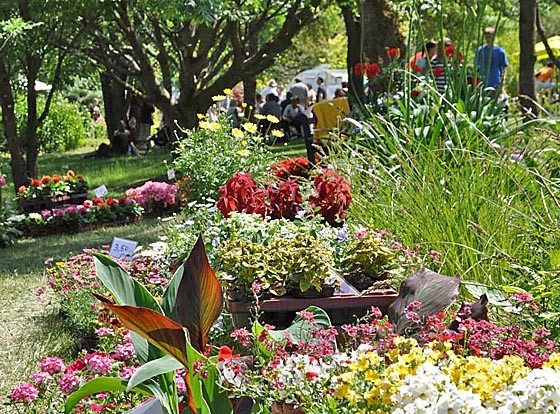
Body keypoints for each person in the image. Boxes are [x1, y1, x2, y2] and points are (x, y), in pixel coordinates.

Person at [475, 26, 508, 94]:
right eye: (486, 36)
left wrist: (502, 84)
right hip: (482, 84)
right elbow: (476, 67)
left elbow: (504, 68)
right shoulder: (480, 51)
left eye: (490, 36)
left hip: (495, 84)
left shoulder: (500, 51)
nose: (488, 39)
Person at [282, 97, 314, 162]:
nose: (294, 103)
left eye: (295, 102)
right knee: (284, 122)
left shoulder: (300, 107)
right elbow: (284, 116)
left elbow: (304, 115)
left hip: (297, 120)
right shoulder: (288, 107)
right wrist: (288, 119)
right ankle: (287, 136)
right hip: (290, 119)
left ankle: (303, 134)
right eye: (293, 102)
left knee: (302, 118)